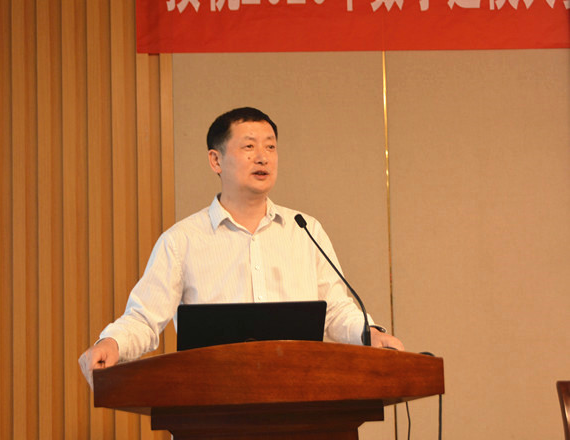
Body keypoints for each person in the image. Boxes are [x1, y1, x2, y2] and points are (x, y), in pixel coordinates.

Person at [79, 107, 404, 388]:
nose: (263, 156)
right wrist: (111, 343)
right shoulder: (182, 240)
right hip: (212, 402)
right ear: (215, 160)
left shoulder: (305, 230)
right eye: (249, 146)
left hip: (301, 397)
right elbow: (144, 318)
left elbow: (336, 310)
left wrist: (371, 334)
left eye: (270, 147)